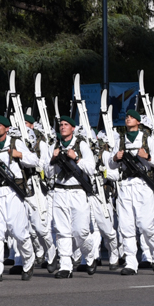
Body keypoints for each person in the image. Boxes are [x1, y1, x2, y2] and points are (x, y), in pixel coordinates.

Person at [110, 110, 154, 276]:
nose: (128, 118)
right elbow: (111, 165)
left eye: (131, 117)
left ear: (138, 121)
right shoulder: (120, 140)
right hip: (125, 185)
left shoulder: (147, 139)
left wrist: (148, 157)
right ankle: (131, 263)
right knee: (126, 227)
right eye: (126, 117)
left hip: (143, 185)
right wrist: (115, 158)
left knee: (145, 225)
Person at [0, 116, 39, 282]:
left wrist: (19, 154)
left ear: (7, 128)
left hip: (13, 192)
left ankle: (29, 260)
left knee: (19, 232)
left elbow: (34, 160)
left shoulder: (16, 142)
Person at [46, 117, 97, 278]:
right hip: (60, 191)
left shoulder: (81, 145)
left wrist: (76, 158)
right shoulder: (53, 146)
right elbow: (47, 173)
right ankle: (65, 266)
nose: (62, 127)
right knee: (62, 231)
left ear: (73, 128)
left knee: (80, 232)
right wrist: (53, 159)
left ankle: (90, 255)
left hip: (78, 191)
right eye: (60, 125)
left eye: (66, 125)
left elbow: (91, 169)